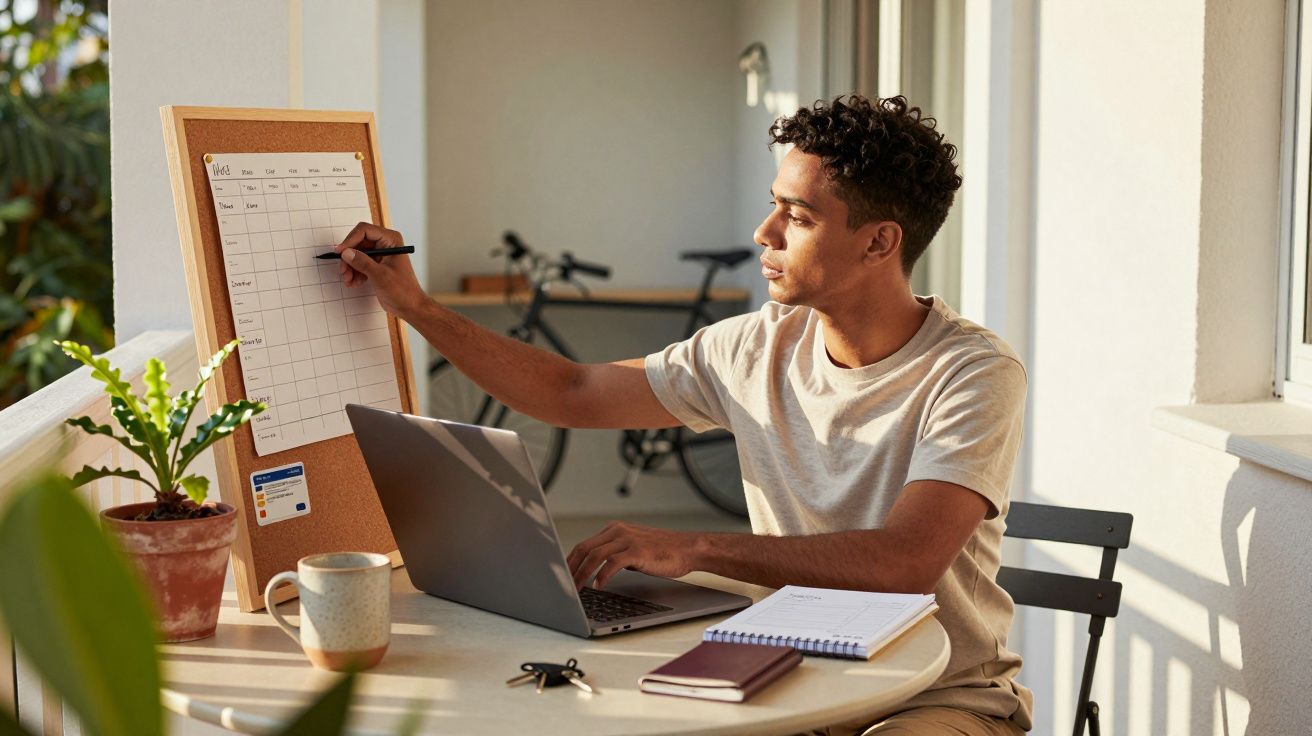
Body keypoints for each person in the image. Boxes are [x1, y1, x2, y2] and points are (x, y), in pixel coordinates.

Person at [334, 95, 1031, 735]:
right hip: (793, 675)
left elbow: (905, 563)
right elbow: (573, 391)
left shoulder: (972, 374)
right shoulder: (755, 345)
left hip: (937, 697)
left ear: (879, 243)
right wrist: (415, 308)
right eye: (774, 205)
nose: (764, 232)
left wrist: (695, 548)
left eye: (798, 217)